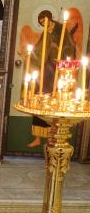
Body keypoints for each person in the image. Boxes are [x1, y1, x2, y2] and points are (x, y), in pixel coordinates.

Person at [28, 9, 76, 147]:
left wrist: (58, 49)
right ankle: (37, 137)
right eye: (41, 23)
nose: (43, 24)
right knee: (39, 98)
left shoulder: (61, 29)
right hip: (45, 69)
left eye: (44, 21)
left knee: (53, 101)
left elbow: (70, 47)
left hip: (57, 70)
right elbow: (39, 48)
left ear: (49, 18)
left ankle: (52, 136)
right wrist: (31, 54)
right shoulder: (46, 32)